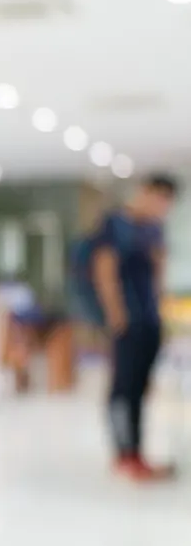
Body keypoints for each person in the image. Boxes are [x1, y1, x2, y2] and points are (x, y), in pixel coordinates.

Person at [92, 173, 179, 482]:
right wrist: (117, 318)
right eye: (159, 198)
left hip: (150, 320)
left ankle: (137, 454)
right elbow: (105, 271)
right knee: (123, 390)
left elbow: (158, 275)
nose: (162, 207)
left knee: (141, 389)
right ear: (143, 192)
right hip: (127, 322)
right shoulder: (116, 225)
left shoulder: (154, 229)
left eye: (167, 202)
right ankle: (124, 455)